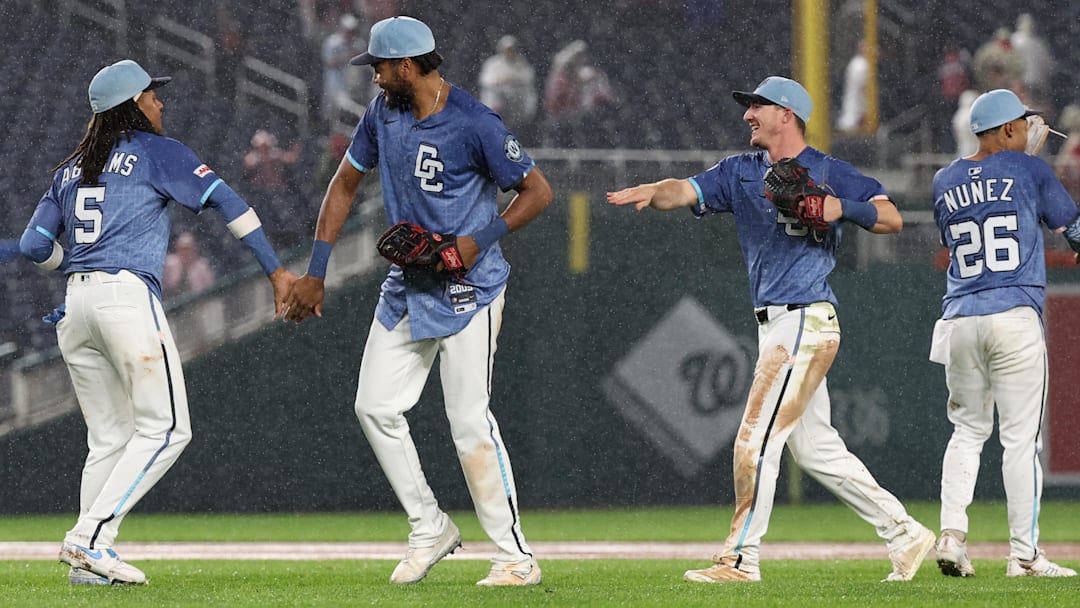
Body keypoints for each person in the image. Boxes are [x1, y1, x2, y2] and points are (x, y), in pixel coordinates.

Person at [607, 76, 936, 583]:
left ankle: (741, 559)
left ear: (788, 113)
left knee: (754, 439)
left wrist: (837, 207)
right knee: (817, 450)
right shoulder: (740, 172)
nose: (747, 115)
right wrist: (658, 191)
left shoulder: (828, 170)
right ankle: (904, 532)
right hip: (777, 324)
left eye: (757, 106)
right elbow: (686, 189)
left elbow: (891, 218)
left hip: (805, 317)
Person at [281, 16, 552, 586]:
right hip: (408, 285)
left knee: (469, 422)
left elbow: (537, 191)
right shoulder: (383, 113)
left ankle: (515, 558)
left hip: (470, 288)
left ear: (407, 65)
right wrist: (318, 271)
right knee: (374, 406)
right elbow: (344, 185)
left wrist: (478, 240)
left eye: (379, 66)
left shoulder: (475, 122)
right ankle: (429, 525)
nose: (374, 76)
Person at [18, 59, 296, 585]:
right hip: (125, 297)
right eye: (151, 95)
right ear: (132, 106)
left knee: (108, 439)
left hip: (76, 307)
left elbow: (35, 247)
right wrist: (276, 270)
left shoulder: (68, 169)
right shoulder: (157, 152)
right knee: (167, 428)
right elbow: (227, 202)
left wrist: (77, 272)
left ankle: (91, 567)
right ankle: (89, 539)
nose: (159, 102)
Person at [929, 89, 1079, 579]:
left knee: (967, 432)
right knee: (1020, 441)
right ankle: (1025, 556)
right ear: (1007, 130)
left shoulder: (943, 178)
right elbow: (1070, 225)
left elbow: (962, 222)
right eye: (1021, 123)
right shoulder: (1028, 169)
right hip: (1013, 312)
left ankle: (951, 535)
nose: (1030, 129)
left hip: (959, 317)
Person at [478, 35, 538, 138]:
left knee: (516, 129)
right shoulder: (493, 64)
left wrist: (513, 79)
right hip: (498, 103)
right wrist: (501, 81)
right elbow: (486, 80)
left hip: (516, 105)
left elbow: (528, 78)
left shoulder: (521, 63)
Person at [162, 231, 215, 298]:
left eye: (188, 249)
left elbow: (211, 289)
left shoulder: (202, 266)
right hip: (172, 302)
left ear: (194, 249)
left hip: (199, 303)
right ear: (177, 248)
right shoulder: (169, 263)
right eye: (182, 249)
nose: (185, 252)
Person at [836, 40, 869, 133]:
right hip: (856, 114)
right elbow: (863, 88)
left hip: (856, 112)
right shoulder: (860, 64)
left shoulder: (859, 63)